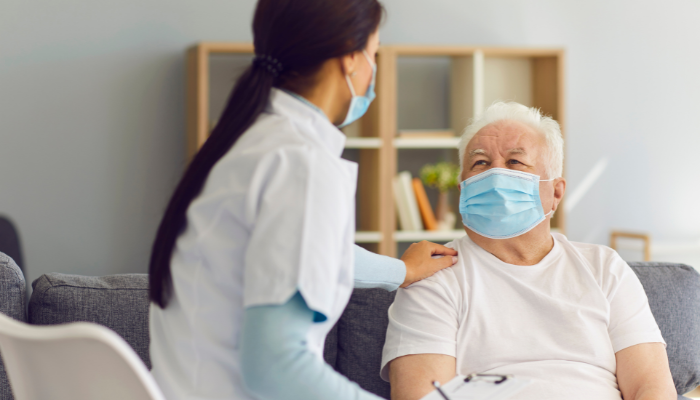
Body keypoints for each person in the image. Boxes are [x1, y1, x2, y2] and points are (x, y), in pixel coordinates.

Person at [147, 1, 458, 399]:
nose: (373, 71)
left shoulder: (246, 144)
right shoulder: (303, 164)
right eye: (374, 54)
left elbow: (301, 252)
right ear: (351, 57)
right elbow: (276, 368)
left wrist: (399, 271)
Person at [381, 102, 677, 400]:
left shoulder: (604, 267)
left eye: (514, 163)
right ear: (462, 190)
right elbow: (421, 395)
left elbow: (650, 386)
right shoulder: (432, 274)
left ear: (556, 193)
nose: (495, 176)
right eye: (480, 163)